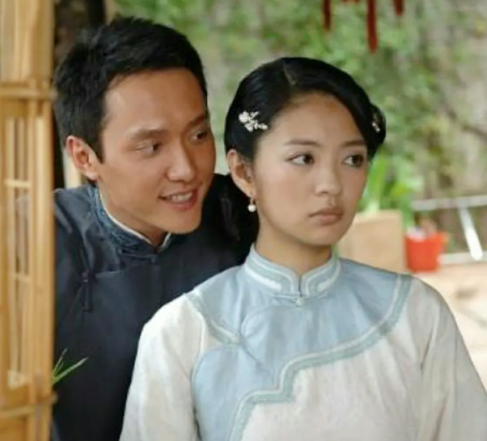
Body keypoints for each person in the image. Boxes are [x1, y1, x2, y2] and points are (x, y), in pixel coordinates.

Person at [0, 17, 256, 441]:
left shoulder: (241, 215)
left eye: (199, 134)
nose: (186, 168)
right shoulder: (28, 237)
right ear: (84, 157)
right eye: (152, 146)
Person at [120, 57, 487, 441]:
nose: (331, 184)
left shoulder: (414, 313)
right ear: (244, 172)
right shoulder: (185, 331)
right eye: (303, 159)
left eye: (352, 159)